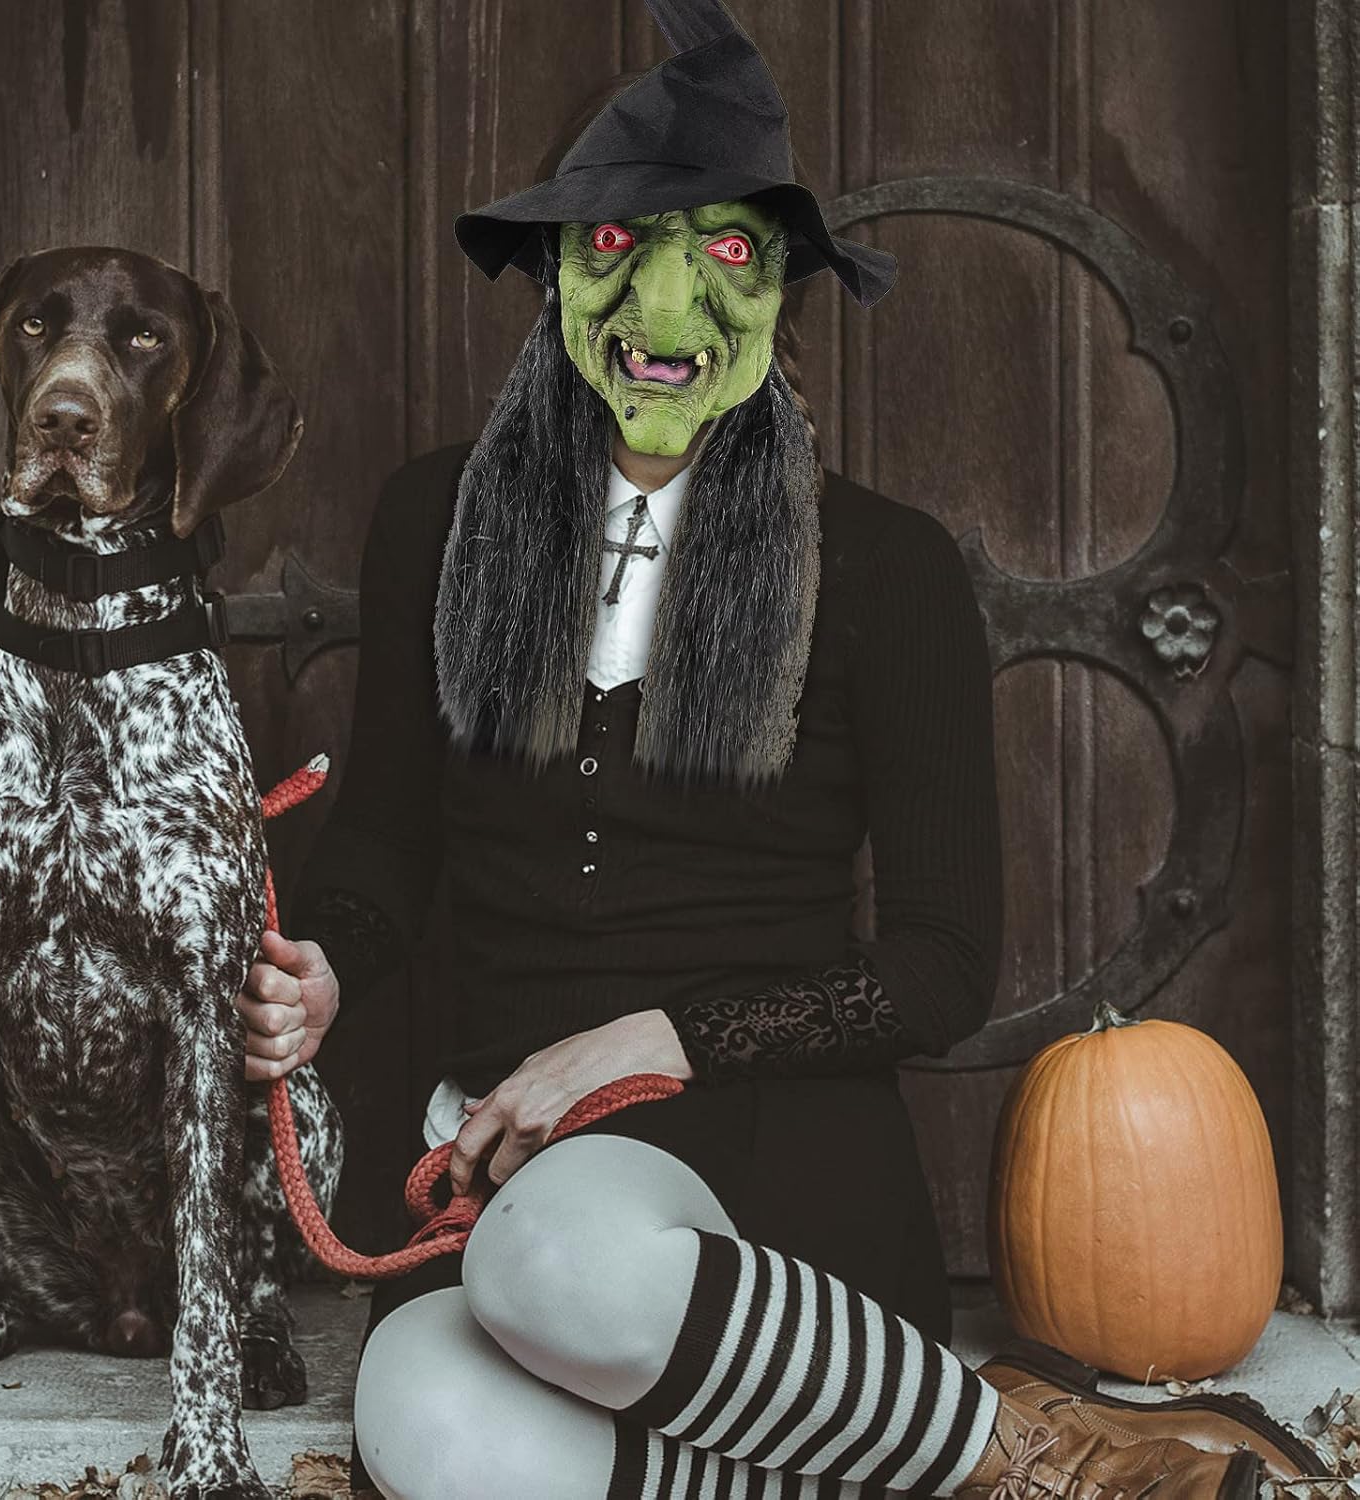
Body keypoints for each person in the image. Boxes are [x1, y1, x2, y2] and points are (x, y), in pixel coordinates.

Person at [234, 2, 1295, 1495]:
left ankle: (1036, 1461)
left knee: (553, 1266)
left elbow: (940, 965)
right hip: (504, 1154)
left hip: (767, 1158)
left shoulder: (888, 569)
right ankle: (869, 1467)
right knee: (418, 1411)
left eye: (723, 251)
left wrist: (649, 1042)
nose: (664, 309)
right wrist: (330, 966)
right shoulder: (436, 519)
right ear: (555, 273)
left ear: (781, 287)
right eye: (617, 246)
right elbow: (390, 841)